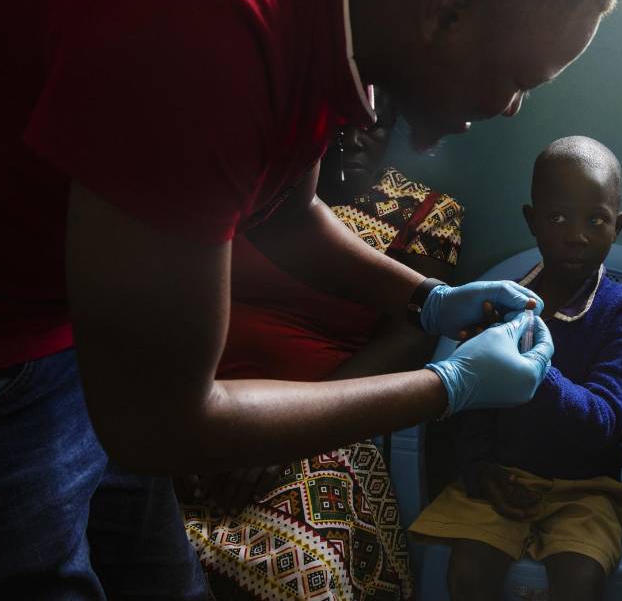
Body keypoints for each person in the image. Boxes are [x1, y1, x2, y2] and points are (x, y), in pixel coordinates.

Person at [0, 0, 616, 597]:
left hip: (69, 333)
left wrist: (428, 300)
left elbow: (285, 211)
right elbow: (162, 423)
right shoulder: (205, 30)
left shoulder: (335, 15)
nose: (511, 108)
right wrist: (448, 386)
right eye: (518, 79)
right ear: (446, 12)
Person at [182, 98, 462, 600]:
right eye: (337, 124)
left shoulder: (425, 212)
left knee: (294, 572)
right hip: (203, 399)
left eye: (371, 126)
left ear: (393, 128)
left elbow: (411, 335)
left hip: (326, 415)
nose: (350, 138)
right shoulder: (256, 191)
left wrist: (290, 430)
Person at [409, 136, 622, 601]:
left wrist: (535, 375)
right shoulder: (501, 303)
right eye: (557, 217)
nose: (576, 235)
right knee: (468, 573)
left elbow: (605, 422)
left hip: (588, 487)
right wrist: (480, 470)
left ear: (616, 227)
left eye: (595, 220)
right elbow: (474, 408)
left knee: (581, 579)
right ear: (532, 221)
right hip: (505, 476)